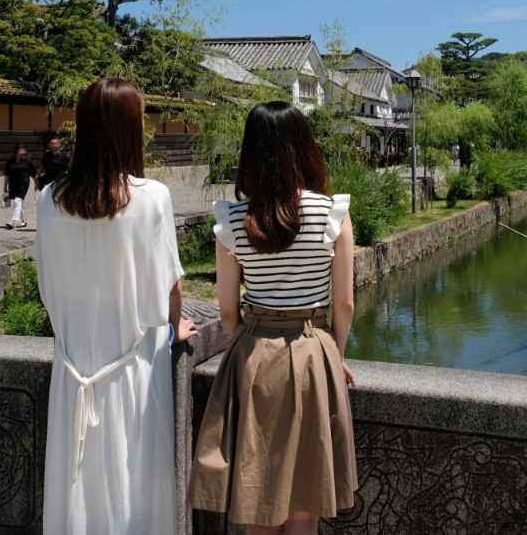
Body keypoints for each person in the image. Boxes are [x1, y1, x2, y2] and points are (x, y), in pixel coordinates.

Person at [32, 77, 197, 534]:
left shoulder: (49, 199)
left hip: (71, 368)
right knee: (135, 484)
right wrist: (172, 328)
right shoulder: (151, 198)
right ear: (130, 129)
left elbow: (47, 281)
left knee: (76, 487)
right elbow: (170, 287)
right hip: (133, 369)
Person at [190, 102, 359, 534]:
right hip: (311, 352)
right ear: (303, 147)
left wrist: (243, 342)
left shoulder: (231, 219)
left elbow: (227, 308)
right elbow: (344, 304)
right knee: (303, 500)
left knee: (258, 497)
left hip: (253, 353)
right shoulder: (330, 213)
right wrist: (335, 354)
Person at [4, 143, 36, 229]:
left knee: (17, 201)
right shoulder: (10, 162)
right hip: (13, 184)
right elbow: (6, 175)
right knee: (18, 203)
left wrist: (36, 184)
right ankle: (23, 221)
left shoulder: (27, 161)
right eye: (21, 150)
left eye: (24, 150)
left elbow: (34, 174)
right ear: (16, 151)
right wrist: (5, 186)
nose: (23, 151)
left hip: (23, 184)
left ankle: (13, 221)